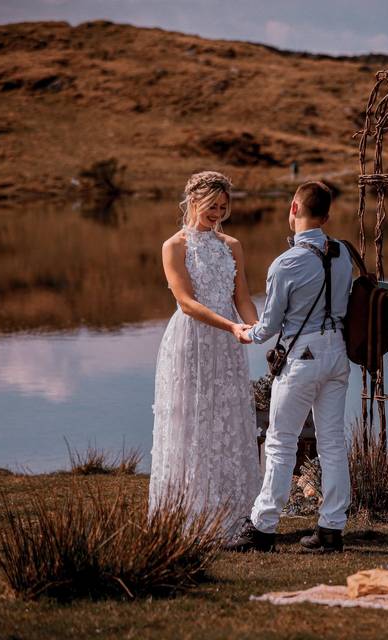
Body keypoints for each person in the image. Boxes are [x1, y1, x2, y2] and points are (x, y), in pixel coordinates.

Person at [227, 181, 352, 553]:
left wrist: (244, 332)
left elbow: (268, 327)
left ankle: (262, 528)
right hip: (338, 354)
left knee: (281, 442)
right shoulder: (344, 252)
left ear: (293, 207)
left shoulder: (286, 263)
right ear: (327, 217)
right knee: (332, 442)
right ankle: (331, 528)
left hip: (302, 359)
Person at [149, 171, 262, 538]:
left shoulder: (232, 245)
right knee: (191, 423)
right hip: (192, 342)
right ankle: (186, 514)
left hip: (227, 346)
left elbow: (241, 297)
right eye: (212, 206)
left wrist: (255, 327)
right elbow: (185, 302)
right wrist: (230, 326)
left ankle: (234, 513)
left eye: (224, 207)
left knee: (226, 420)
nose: (218, 213)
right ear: (193, 200)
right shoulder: (174, 246)